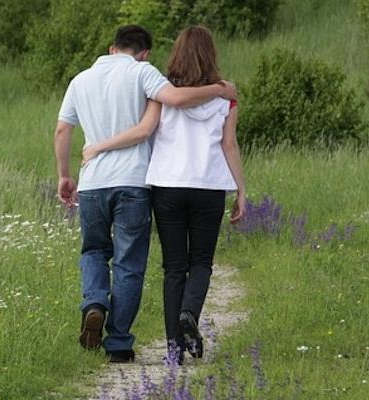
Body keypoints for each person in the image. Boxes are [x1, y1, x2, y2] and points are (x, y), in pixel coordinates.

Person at [54, 24, 237, 363]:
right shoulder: (143, 74)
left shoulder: (79, 80)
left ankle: (94, 303)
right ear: (145, 53)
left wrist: (65, 175)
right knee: (129, 265)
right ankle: (119, 343)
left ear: (112, 49)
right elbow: (172, 105)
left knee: (94, 250)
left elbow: (63, 128)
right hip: (134, 183)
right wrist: (221, 89)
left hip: (93, 182)